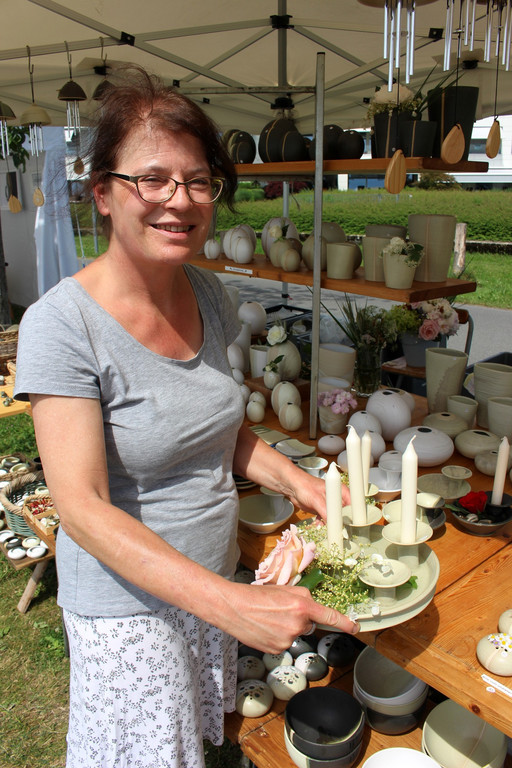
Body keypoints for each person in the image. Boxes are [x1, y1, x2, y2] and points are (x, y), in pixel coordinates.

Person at [14, 68, 358, 768]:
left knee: (198, 749)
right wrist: (228, 605)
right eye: (154, 179)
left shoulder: (207, 290)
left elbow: (217, 428)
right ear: (103, 192)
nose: (180, 200)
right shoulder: (61, 324)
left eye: (199, 181)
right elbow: (80, 507)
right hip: (131, 614)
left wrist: (304, 485)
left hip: (208, 579)